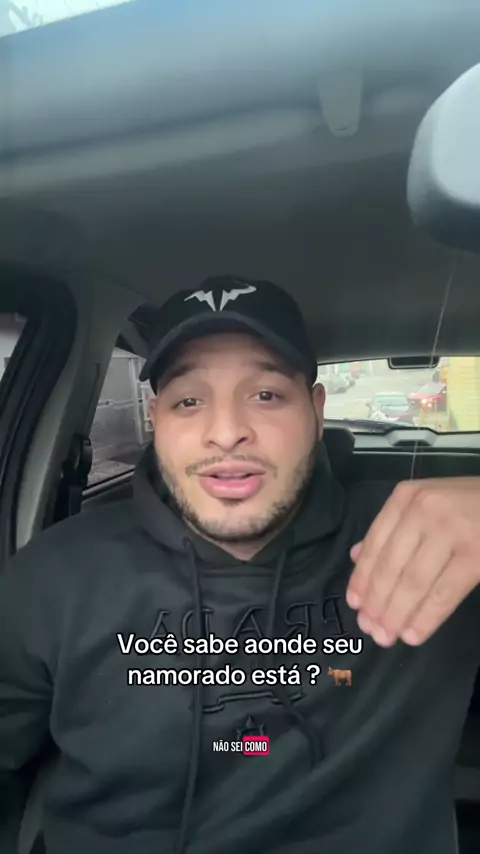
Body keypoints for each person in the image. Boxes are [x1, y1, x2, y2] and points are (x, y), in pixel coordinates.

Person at [0, 274, 479, 854]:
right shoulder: (57, 574)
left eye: (266, 395)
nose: (226, 433)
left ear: (316, 411)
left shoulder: (433, 548)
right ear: (155, 419)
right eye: (189, 401)